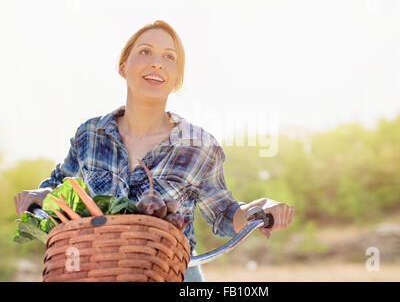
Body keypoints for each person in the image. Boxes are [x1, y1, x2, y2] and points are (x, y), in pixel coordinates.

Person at [13, 20, 295, 282]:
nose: (157, 63)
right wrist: (40, 195)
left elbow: (224, 213)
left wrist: (257, 210)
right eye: (145, 51)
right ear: (123, 66)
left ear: (177, 78)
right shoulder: (90, 135)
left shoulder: (198, 145)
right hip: (99, 272)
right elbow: (59, 188)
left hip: (174, 275)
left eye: (169, 57)